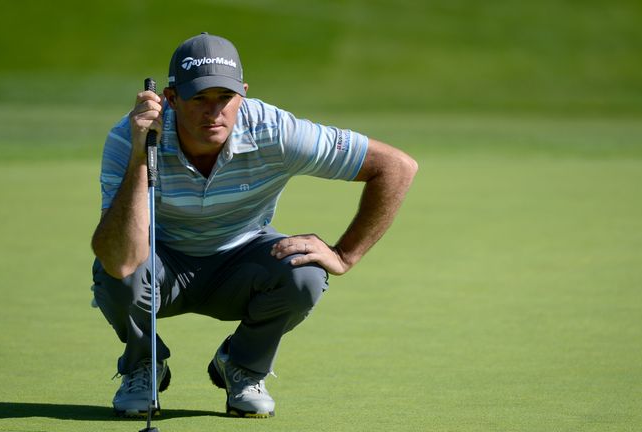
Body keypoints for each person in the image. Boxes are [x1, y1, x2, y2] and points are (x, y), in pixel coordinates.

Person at [90, 32, 418, 419]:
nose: (214, 112)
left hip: (240, 261)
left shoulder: (275, 130)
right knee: (117, 271)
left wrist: (345, 255)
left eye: (225, 98)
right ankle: (143, 366)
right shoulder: (130, 137)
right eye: (199, 99)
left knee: (305, 273)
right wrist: (141, 155)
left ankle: (243, 367)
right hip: (161, 263)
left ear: (242, 94)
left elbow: (396, 167)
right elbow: (121, 258)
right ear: (171, 99)